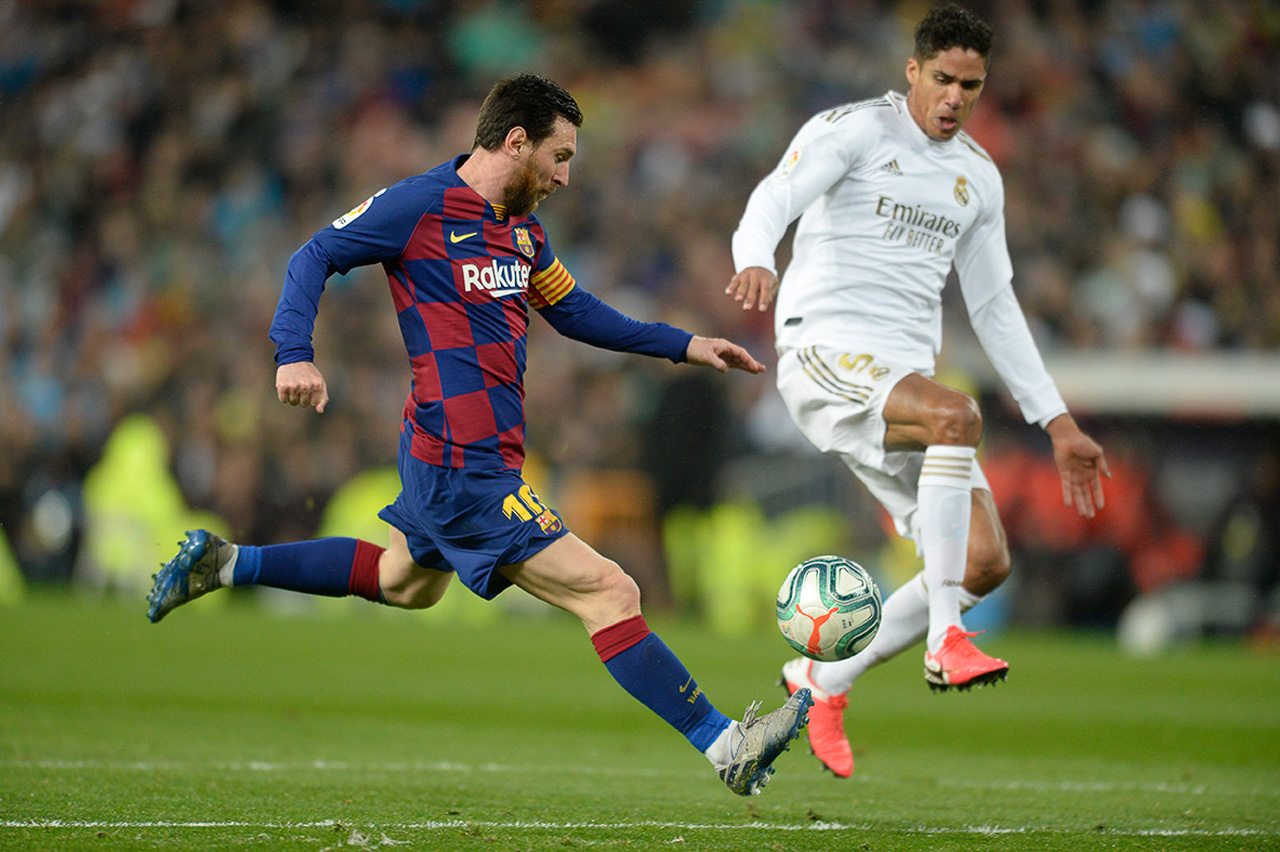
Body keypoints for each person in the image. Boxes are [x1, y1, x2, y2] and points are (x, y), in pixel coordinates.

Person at [147, 72, 810, 796]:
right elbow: (314, 255)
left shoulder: (522, 232)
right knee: (612, 592)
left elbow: (577, 311)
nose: (564, 176)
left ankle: (227, 564)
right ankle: (726, 745)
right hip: (463, 464)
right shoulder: (420, 206)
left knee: (406, 583)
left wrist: (685, 345)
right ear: (516, 141)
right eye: (559, 157)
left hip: (462, 456)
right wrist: (294, 351)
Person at [724, 4, 1109, 779]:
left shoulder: (978, 178)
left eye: (971, 85)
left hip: (899, 381)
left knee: (986, 561)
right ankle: (943, 640)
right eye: (942, 79)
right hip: (824, 352)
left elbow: (996, 309)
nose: (955, 98)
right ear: (913, 72)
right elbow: (774, 195)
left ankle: (822, 684)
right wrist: (756, 254)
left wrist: (1058, 421)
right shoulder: (857, 130)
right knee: (955, 416)